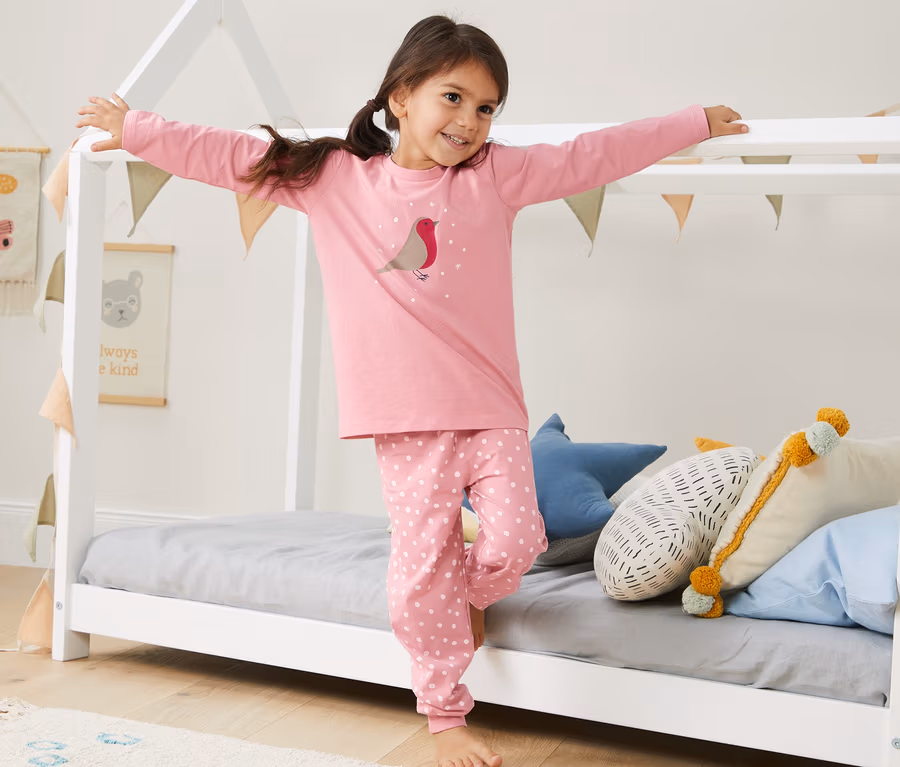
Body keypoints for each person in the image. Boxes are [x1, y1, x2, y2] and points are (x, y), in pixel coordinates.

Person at [76, 14, 746, 767]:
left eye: (486, 107)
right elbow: (233, 156)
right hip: (406, 417)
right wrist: (137, 129)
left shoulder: (497, 178)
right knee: (420, 569)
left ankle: (462, 597)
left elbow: (592, 155)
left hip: (490, 404)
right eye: (453, 98)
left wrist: (690, 122)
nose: (469, 120)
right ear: (400, 97)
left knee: (518, 542)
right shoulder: (335, 180)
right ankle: (443, 711)